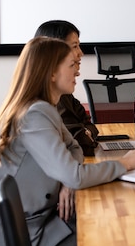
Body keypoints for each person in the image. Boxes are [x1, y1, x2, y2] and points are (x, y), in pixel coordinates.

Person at [0, 37, 135, 246]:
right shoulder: (34, 114)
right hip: (17, 238)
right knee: (114, 233)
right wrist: (125, 163)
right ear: (51, 73)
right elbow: (75, 174)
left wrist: (66, 178)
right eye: (72, 65)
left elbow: (73, 147)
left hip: (31, 220)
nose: (77, 71)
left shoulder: (43, 107)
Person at [35, 20, 99, 156]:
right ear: (55, 50)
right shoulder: (42, 104)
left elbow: (89, 124)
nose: (81, 53)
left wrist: (87, 131)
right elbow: (82, 144)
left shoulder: (62, 92)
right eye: (75, 46)